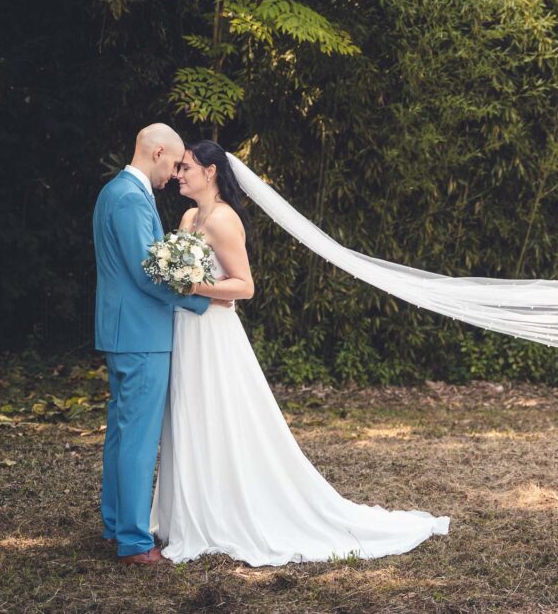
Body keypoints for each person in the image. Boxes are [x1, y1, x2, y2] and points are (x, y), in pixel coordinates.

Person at [148, 139, 450, 566]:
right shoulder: (187, 216)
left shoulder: (223, 220)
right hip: (186, 330)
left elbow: (244, 286)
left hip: (213, 333)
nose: (179, 175)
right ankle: (189, 512)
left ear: (211, 172)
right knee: (189, 414)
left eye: (187, 168)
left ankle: (225, 514)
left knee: (219, 415)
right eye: (178, 168)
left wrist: (190, 285)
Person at [92, 124, 220, 565]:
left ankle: (114, 525)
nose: (174, 174)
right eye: (174, 162)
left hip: (127, 331)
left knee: (123, 432)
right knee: (138, 438)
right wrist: (201, 301)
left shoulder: (116, 191)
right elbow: (147, 273)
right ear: (158, 151)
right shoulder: (129, 197)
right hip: (140, 333)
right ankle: (132, 540)